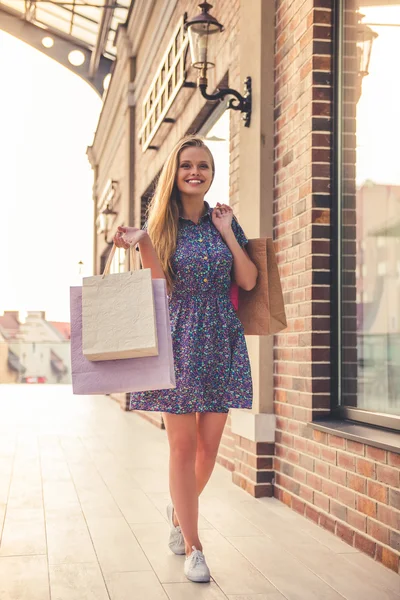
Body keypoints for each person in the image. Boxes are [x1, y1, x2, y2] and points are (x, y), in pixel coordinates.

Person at [113, 136, 257, 583]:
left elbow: (249, 280)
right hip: (179, 337)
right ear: (174, 174)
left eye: (204, 166)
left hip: (222, 337)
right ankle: (195, 546)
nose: (195, 172)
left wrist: (227, 232)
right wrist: (143, 243)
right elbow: (162, 289)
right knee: (183, 446)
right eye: (187, 166)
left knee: (210, 446)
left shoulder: (223, 221)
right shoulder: (160, 226)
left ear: (212, 173)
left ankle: (178, 514)